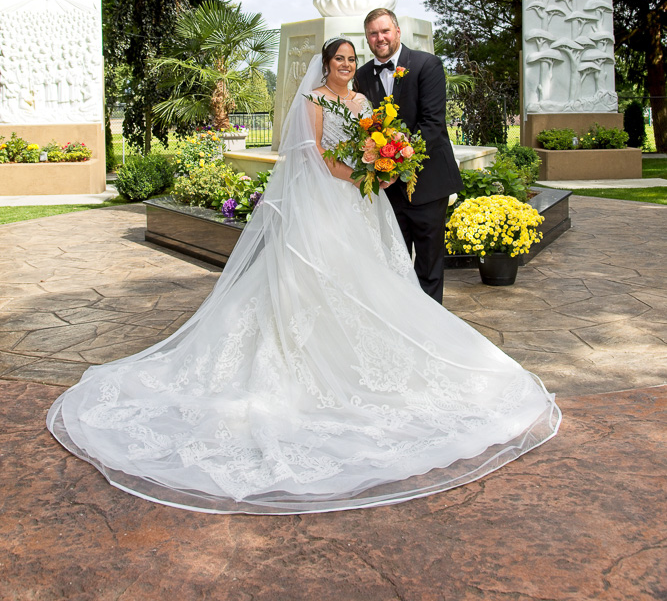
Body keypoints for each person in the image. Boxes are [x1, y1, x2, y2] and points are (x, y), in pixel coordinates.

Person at [47, 38, 560, 515]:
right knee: (320, 279)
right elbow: (310, 154)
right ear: (326, 63)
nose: (346, 65)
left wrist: (379, 166)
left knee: (373, 279)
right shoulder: (315, 100)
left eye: (350, 59)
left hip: (363, 203)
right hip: (325, 201)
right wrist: (353, 172)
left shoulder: (362, 103)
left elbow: (378, 140)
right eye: (339, 58)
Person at [354, 8, 463, 303]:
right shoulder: (362, 76)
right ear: (367, 38)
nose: (380, 38)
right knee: (395, 262)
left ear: (397, 32)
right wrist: (380, 170)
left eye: (385, 31)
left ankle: (432, 325)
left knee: (428, 264)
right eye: (373, 34)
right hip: (389, 191)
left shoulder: (427, 65)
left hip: (427, 183)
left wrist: (397, 162)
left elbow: (432, 123)